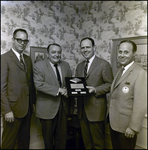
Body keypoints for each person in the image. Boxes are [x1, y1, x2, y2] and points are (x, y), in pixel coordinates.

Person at [107, 40, 147, 149]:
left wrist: (133, 127)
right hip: (114, 124)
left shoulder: (140, 73)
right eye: (120, 52)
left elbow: (141, 104)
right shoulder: (120, 70)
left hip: (126, 127)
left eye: (126, 52)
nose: (122, 55)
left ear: (134, 53)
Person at [33, 43, 74, 149]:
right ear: (47, 54)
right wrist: (59, 90)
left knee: (61, 139)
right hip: (46, 109)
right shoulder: (39, 66)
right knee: (48, 140)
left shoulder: (66, 65)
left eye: (59, 52)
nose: (56, 55)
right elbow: (39, 84)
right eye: (53, 52)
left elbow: (69, 84)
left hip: (63, 107)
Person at [75, 37, 113, 149]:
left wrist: (95, 89)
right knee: (87, 142)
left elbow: (110, 85)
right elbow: (77, 85)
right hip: (82, 111)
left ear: (94, 48)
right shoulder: (80, 66)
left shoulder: (104, 64)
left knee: (98, 143)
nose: (85, 50)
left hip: (96, 111)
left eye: (88, 47)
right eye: (83, 48)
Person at [1, 28, 36, 149]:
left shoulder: (28, 59)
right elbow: (1, 88)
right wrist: (7, 111)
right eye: (19, 40)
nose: (22, 43)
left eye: (25, 41)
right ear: (13, 40)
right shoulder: (4, 59)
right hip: (12, 111)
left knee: (24, 142)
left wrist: (33, 104)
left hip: (27, 110)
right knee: (8, 143)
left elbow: (30, 84)